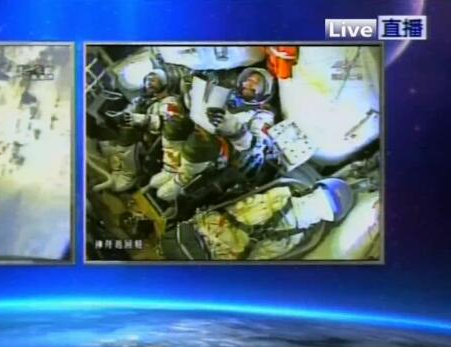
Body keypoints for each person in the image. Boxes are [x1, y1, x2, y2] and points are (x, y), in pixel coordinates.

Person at [156, 67, 280, 202]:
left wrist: (235, 129)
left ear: (265, 92)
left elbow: (256, 151)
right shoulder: (226, 95)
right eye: (248, 79)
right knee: (176, 125)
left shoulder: (263, 115)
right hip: (202, 130)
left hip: (228, 153)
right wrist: (190, 92)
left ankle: (180, 182)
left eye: (256, 82)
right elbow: (197, 108)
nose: (250, 83)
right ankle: (170, 168)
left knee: (199, 142)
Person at [160, 178, 355, 260]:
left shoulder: (281, 190)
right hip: (206, 252)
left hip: (197, 231)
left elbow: (235, 201)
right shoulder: (294, 237)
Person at [99, 69, 191, 192]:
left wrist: (138, 119)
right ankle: (118, 166)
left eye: (154, 80)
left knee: (128, 132)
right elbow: (129, 112)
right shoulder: (141, 100)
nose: (149, 83)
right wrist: (121, 116)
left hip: (153, 141)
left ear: (166, 84)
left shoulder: (170, 102)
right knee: (110, 128)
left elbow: (168, 123)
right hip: (139, 134)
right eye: (147, 80)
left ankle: (129, 173)